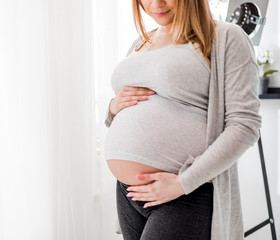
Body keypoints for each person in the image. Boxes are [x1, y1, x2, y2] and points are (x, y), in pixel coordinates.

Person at [103, 0, 262, 239]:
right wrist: (114, 108)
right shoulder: (140, 43)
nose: (156, 4)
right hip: (130, 192)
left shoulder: (226, 37)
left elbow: (245, 125)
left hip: (187, 192)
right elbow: (129, 111)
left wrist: (183, 183)